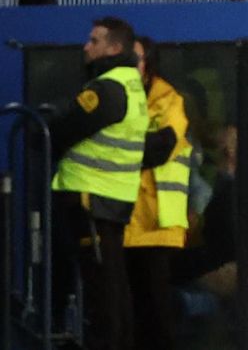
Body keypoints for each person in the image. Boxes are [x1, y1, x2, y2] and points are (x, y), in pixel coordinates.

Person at [48, 18, 165, 350]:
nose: (87, 46)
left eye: (94, 40)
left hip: (91, 198)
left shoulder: (107, 89)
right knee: (113, 288)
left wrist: (43, 124)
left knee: (103, 296)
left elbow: (64, 128)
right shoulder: (131, 85)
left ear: (114, 48)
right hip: (111, 200)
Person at [124, 36, 192, 350]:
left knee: (157, 316)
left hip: (157, 226)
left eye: (135, 58)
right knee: (125, 318)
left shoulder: (168, 100)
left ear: (148, 65)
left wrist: (117, 147)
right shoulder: (113, 94)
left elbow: (160, 149)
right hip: (119, 222)